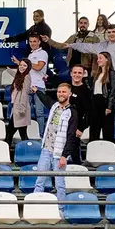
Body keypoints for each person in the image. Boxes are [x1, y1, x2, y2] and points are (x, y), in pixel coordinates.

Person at [57, 24, 115, 120]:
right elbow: (85, 46)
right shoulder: (101, 46)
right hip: (104, 82)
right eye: (109, 32)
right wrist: (71, 45)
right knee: (109, 110)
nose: (111, 34)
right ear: (106, 34)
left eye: (113, 32)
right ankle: (113, 132)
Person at [33, 83, 79, 218]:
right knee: (40, 179)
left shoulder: (72, 112)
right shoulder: (54, 106)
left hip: (59, 153)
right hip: (46, 149)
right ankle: (35, 207)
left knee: (60, 183)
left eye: (64, 92)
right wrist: (37, 91)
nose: (61, 94)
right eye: (59, 91)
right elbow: (45, 99)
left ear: (69, 94)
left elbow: (71, 136)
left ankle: (61, 210)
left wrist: (65, 155)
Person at [12, 34, 48, 137]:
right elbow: (27, 69)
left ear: (39, 42)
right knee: (27, 113)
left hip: (38, 86)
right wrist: (19, 63)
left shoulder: (43, 53)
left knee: (39, 113)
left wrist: (24, 63)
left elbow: (38, 67)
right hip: (28, 86)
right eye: (31, 41)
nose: (32, 43)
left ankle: (41, 136)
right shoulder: (31, 54)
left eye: (34, 41)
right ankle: (28, 136)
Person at [90, 52, 115, 142]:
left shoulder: (112, 73)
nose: (98, 60)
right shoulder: (97, 74)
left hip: (105, 102)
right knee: (94, 128)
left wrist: (109, 106)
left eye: (100, 58)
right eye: (98, 58)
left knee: (107, 129)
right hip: (95, 101)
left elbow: (113, 91)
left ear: (107, 59)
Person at [4, 59, 32, 146]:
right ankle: (27, 151)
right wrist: (8, 69)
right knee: (22, 134)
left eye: (24, 66)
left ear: (28, 67)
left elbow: (24, 94)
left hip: (20, 109)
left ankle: (6, 151)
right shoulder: (20, 75)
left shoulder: (26, 77)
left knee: (10, 132)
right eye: (21, 65)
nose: (22, 67)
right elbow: (15, 74)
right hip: (16, 107)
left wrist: (21, 108)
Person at [68, 64, 91, 164]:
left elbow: (88, 112)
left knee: (74, 152)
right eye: (75, 72)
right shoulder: (66, 87)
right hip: (64, 123)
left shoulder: (86, 91)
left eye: (79, 73)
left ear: (83, 75)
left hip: (77, 125)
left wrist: (81, 128)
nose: (77, 75)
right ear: (71, 74)